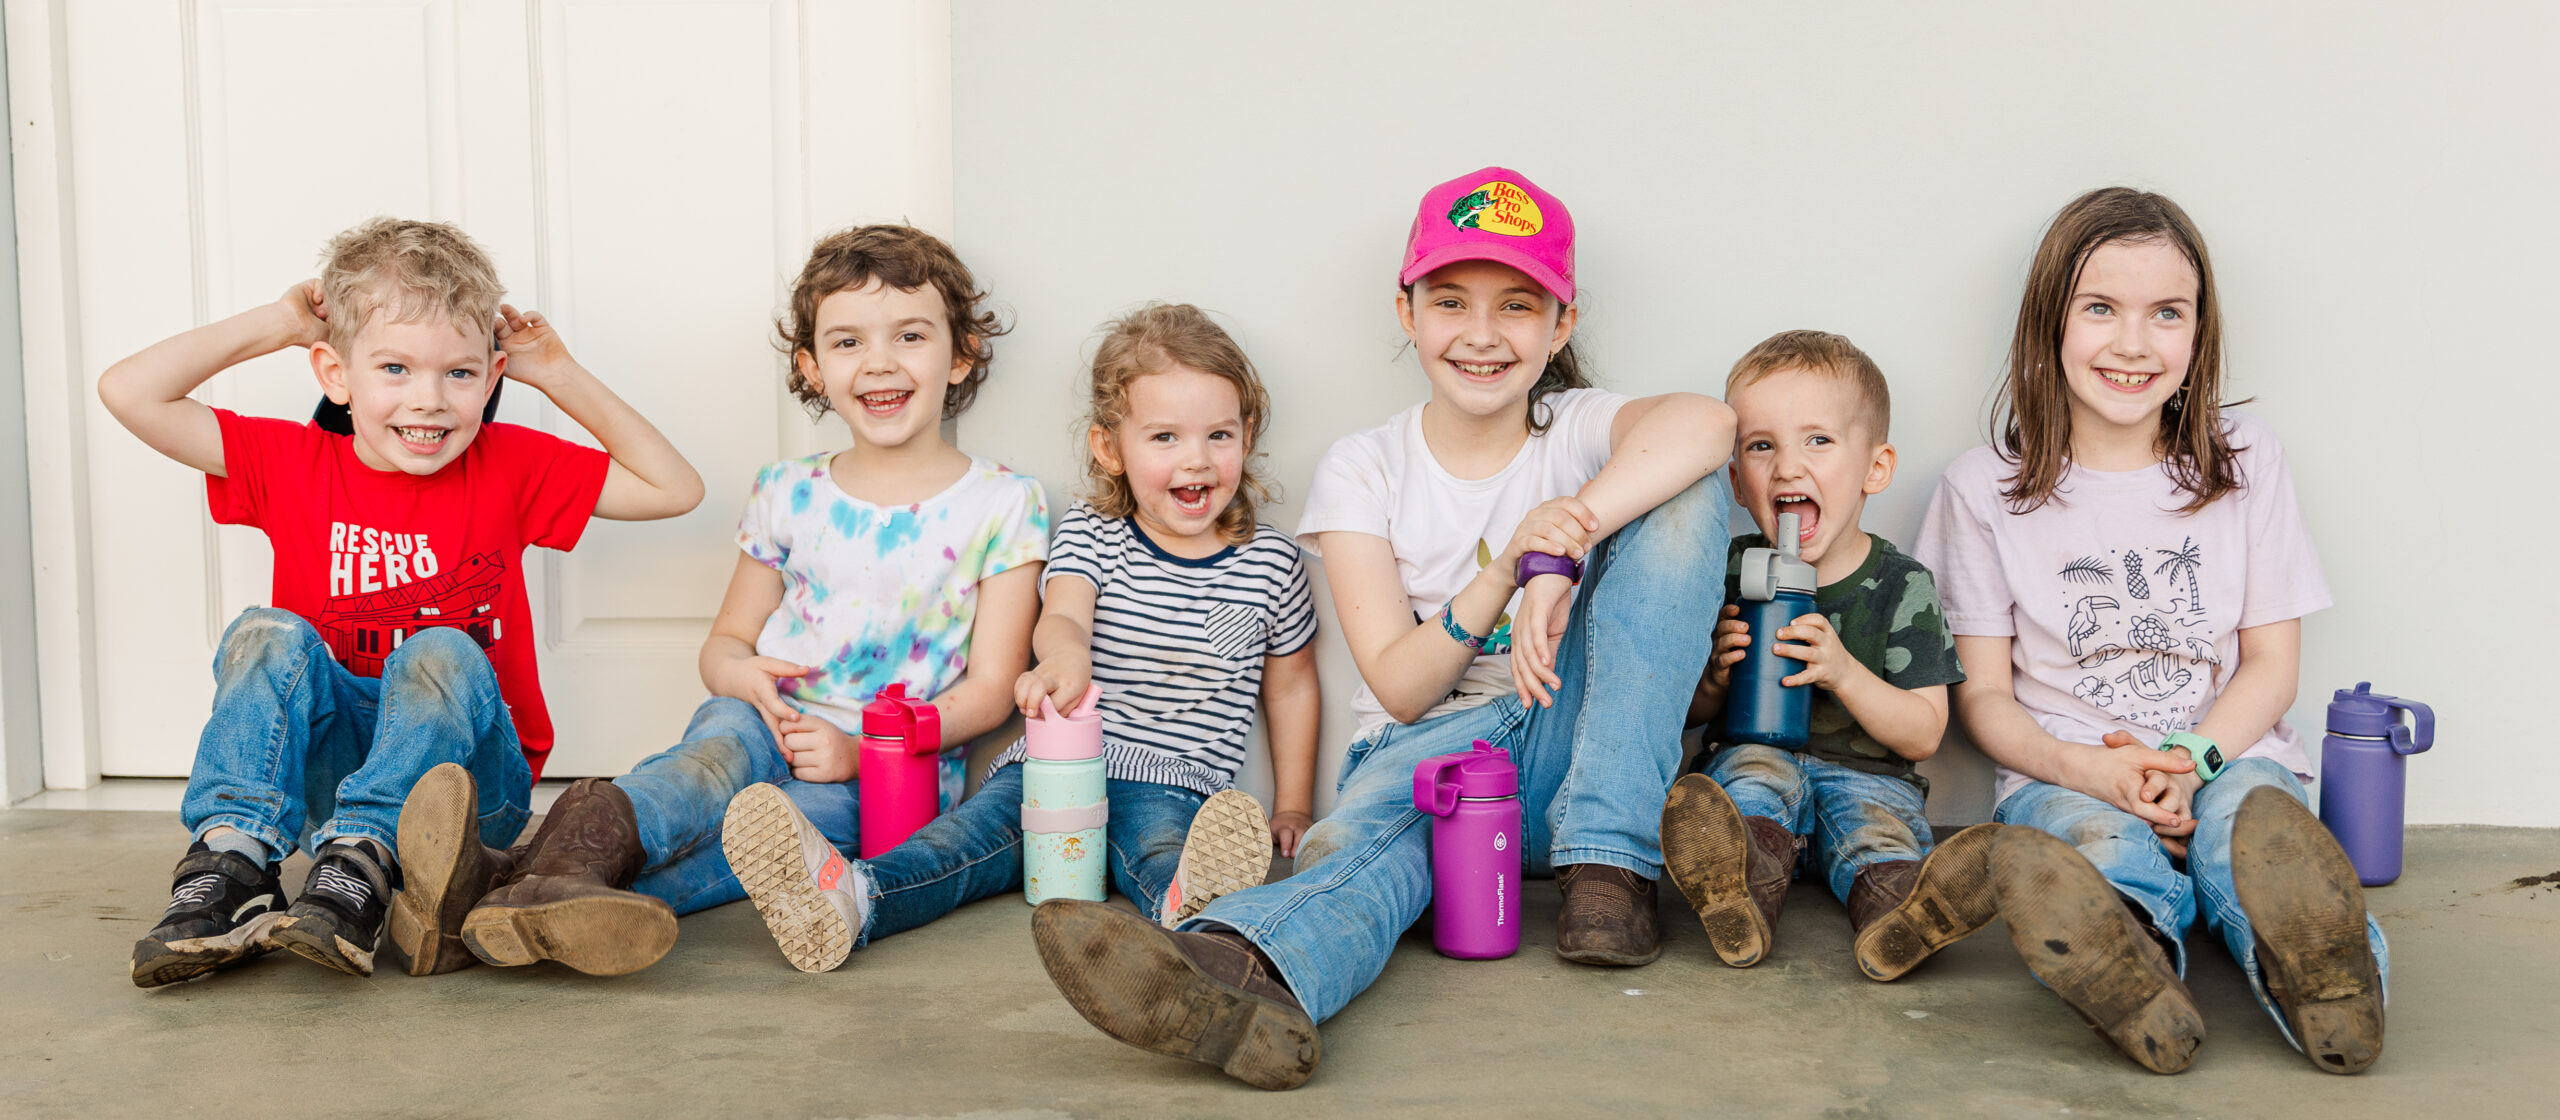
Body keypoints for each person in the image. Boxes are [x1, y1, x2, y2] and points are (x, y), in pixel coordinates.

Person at [1033, 167, 1735, 1090]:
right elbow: (1403, 688)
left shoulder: (1577, 430)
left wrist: (1566, 537)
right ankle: (1245, 976)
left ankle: (1610, 868)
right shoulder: (1366, 466)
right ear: (1407, 313)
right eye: (1450, 301)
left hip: (1583, 747)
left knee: (1689, 488)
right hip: (1430, 760)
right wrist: (1507, 574)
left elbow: (1708, 419)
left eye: (1517, 306)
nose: (1482, 336)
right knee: (1357, 855)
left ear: (1560, 327)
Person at [412, 225, 1048, 977]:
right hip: (754, 719)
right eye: (847, 343)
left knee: (750, 851)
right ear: (812, 366)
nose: (879, 361)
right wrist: (742, 679)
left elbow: (991, 688)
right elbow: (725, 645)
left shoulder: (1003, 504)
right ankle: (566, 865)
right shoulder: (788, 491)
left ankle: (498, 896)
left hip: (877, 777)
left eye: (910, 335)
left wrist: (858, 751)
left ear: (961, 352)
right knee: (702, 766)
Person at [104, 218, 703, 985]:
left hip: (466, 801)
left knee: (441, 648)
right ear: (334, 373)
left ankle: (364, 859)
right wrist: (279, 323)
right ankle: (234, 860)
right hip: (330, 792)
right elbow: (127, 390)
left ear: (491, 379)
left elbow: (673, 488)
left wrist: (557, 373)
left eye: (458, 374)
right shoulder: (289, 462)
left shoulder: (510, 464)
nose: (429, 401)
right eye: (393, 367)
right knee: (264, 634)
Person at [1916, 187, 2388, 1074]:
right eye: (2101, 309)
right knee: (2096, 847)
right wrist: (2095, 770)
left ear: (2199, 334)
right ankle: (2130, 968)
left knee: (2252, 832)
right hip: (2066, 765)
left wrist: (2190, 762)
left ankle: (2328, 972)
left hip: (2226, 753)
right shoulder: (1981, 488)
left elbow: (2271, 668)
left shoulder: (2245, 460)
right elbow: (1980, 695)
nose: (2134, 344)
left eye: (2166, 314)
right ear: (2049, 322)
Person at [719, 302, 1320, 971]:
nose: (1197, 460)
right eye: (1165, 438)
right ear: (1108, 448)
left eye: (1219, 436)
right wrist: (1065, 659)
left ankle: (1200, 916)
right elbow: (1063, 615)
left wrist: (1294, 802)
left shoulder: (1271, 562)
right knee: (957, 846)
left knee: (1161, 857)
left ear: (1247, 435)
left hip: (1175, 783)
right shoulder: (1095, 534)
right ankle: (852, 899)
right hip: (1050, 767)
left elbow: (1290, 686)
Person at [1663, 330, 1996, 981]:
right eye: (1762, 446)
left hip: (1867, 777)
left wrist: (1843, 670)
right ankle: (1737, 893)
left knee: (1877, 832)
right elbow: (1688, 715)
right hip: (1759, 758)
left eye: (1817, 440)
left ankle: (1900, 917)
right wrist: (1715, 676)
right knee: (1750, 783)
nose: (1787, 467)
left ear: (1876, 467)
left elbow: (1924, 731)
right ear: (1735, 479)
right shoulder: (1730, 572)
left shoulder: (1903, 584)